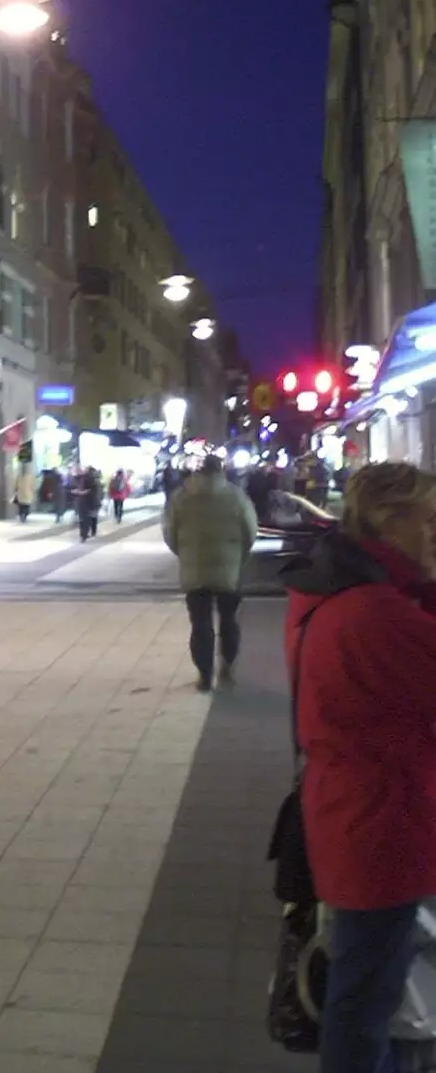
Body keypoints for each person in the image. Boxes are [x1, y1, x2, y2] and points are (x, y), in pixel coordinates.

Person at [283, 462, 436, 1073]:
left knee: (368, 987)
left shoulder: (329, 590)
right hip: (384, 824)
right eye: (427, 520)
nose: (435, 534)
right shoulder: (377, 614)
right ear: (388, 522)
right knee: (366, 999)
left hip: (350, 811)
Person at [163, 452, 256, 692]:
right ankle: (227, 668)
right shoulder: (236, 496)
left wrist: (184, 553)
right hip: (229, 570)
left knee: (200, 624)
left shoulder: (181, 497)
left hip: (195, 569)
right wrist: (239, 555)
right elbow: (250, 531)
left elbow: (170, 533)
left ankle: (205, 676)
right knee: (229, 620)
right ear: (221, 471)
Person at [76, 468, 102, 540]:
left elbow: (87, 491)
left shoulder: (84, 480)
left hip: (85, 503)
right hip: (91, 503)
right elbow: (97, 493)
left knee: (85, 519)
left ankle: (84, 534)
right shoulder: (95, 481)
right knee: (90, 518)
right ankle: (89, 533)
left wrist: (80, 492)